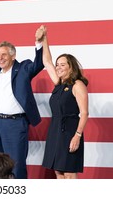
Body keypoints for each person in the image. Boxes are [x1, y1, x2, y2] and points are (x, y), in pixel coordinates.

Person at [0, 25, 45, 179]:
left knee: (16, 167)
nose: (0, 58)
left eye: (4, 54)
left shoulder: (23, 68)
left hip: (16, 124)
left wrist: (39, 43)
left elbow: (38, 64)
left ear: (13, 55)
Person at [39, 25, 89, 179]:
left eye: (62, 65)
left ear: (70, 67)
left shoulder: (78, 85)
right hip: (55, 130)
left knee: (68, 173)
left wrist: (77, 135)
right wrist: (44, 39)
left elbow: (85, 113)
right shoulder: (59, 84)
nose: (58, 67)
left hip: (70, 131)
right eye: (58, 64)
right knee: (58, 172)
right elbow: (47, 61)